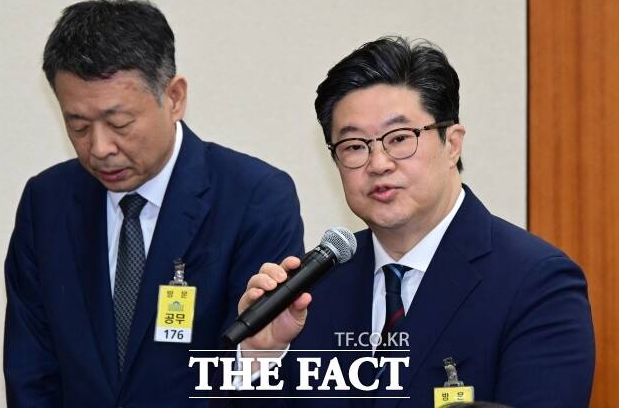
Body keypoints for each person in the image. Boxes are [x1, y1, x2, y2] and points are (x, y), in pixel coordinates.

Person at [236, 37, 595, 407]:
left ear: (452, 143)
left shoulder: (536, 284)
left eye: (399, 138)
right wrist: (260, 358)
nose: (378, 164)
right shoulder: (314, 289)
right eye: (355, 145)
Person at [3, 0, 304, 408]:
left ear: (174, 97)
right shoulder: (46, 202)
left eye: (119, 123)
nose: (100, 148)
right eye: (79, 126)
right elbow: (31, 373)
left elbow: (261, 372)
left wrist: (256, 359)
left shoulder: (255, 198)